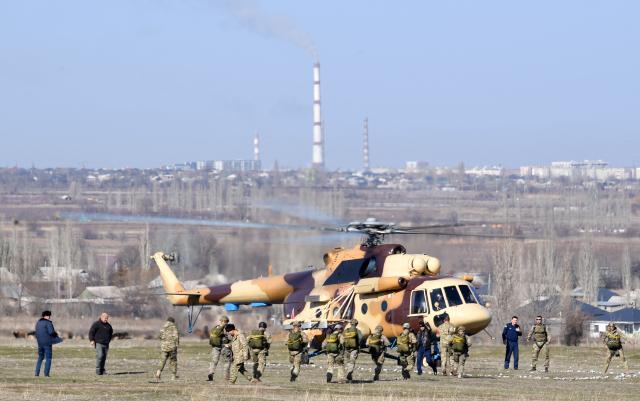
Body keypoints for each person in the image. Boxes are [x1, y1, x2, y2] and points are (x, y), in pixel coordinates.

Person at [34, 310, 63, 377]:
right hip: (47, 343)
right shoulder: (48, 323)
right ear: (46, 316)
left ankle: (36, 373)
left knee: (40, 357)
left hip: (40, 343)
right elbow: (51, 332)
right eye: (49, 316)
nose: (49, 317)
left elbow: (37, 332)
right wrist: (57, 335)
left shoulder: (38, 323)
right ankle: (46, 374)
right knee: (48, 358)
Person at [208, 315, 232, 382]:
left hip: (215, 347)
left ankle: (211, 373)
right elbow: (230, 338)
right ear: (226, 321)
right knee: (227, 362)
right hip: (224, 346)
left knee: (214, 361)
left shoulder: (215, 328)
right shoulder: (226, 329)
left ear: (220, 321)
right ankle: (226, 377)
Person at [155, 317, 180, 381]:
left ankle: (158, 373)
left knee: (162, 360)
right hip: (172, 347)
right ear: (173, 321)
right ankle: (173, 376)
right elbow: (176, 337)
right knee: (173, 361)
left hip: (164, 347)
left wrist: (164, 341)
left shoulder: (163, 327)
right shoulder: (174, 327)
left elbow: (159, 336)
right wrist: (177, 344)